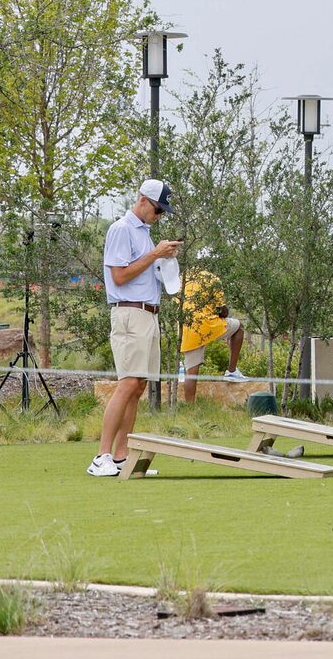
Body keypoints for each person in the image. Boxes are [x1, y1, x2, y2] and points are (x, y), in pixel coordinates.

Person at [93, 178, 184, 478]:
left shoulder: (144, 234)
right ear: (143, 200)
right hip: (129, 314)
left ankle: (121, 456)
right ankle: (101, 456)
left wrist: (162, 260)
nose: (159, 216)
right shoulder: (121, 229)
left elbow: (144, 271)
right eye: (158, 210)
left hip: (148, 314)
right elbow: (119, 277)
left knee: (139, 385)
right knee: (128, 383)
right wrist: (155, 254)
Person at [176, 270, 247, 401]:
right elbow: (222, 310)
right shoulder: (212, 278)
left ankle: (189, 409)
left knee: (192, 372)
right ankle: (231, 371)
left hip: (187, 327)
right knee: (239, 327)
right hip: (209, 325)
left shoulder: (182, 279)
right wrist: (224, 311)